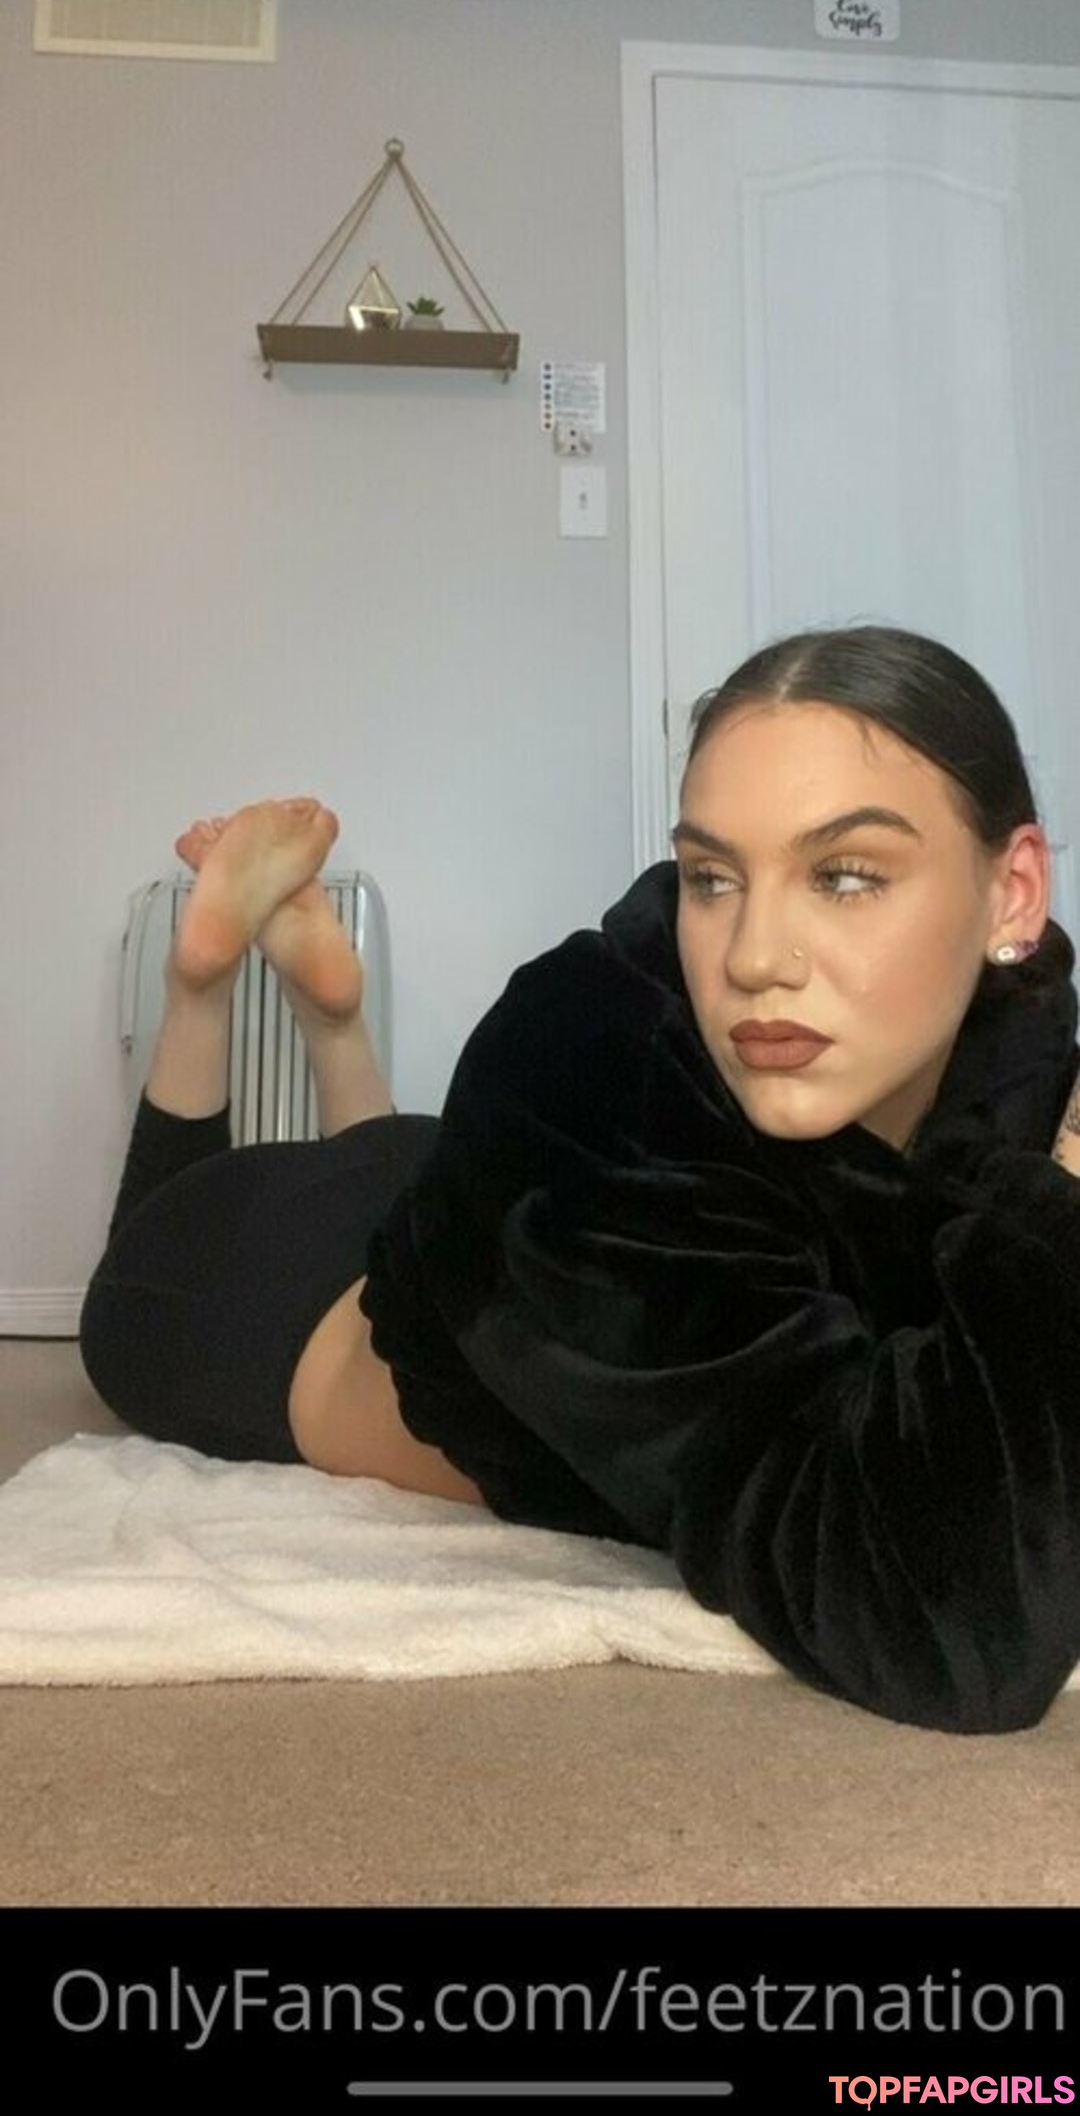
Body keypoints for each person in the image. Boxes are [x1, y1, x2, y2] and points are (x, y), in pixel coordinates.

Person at [80, 624, 1080, 1736]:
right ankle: (202, 976)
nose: (756, 956)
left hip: (440, 1184)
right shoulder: (592, 1072)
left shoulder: (1011, 1026)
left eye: (844, 876)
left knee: (421, 1170)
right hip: (249, 1291)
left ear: (1012, 895)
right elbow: (946, 1620)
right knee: (132, 1261)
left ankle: (332, 1017)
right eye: (712, 877)